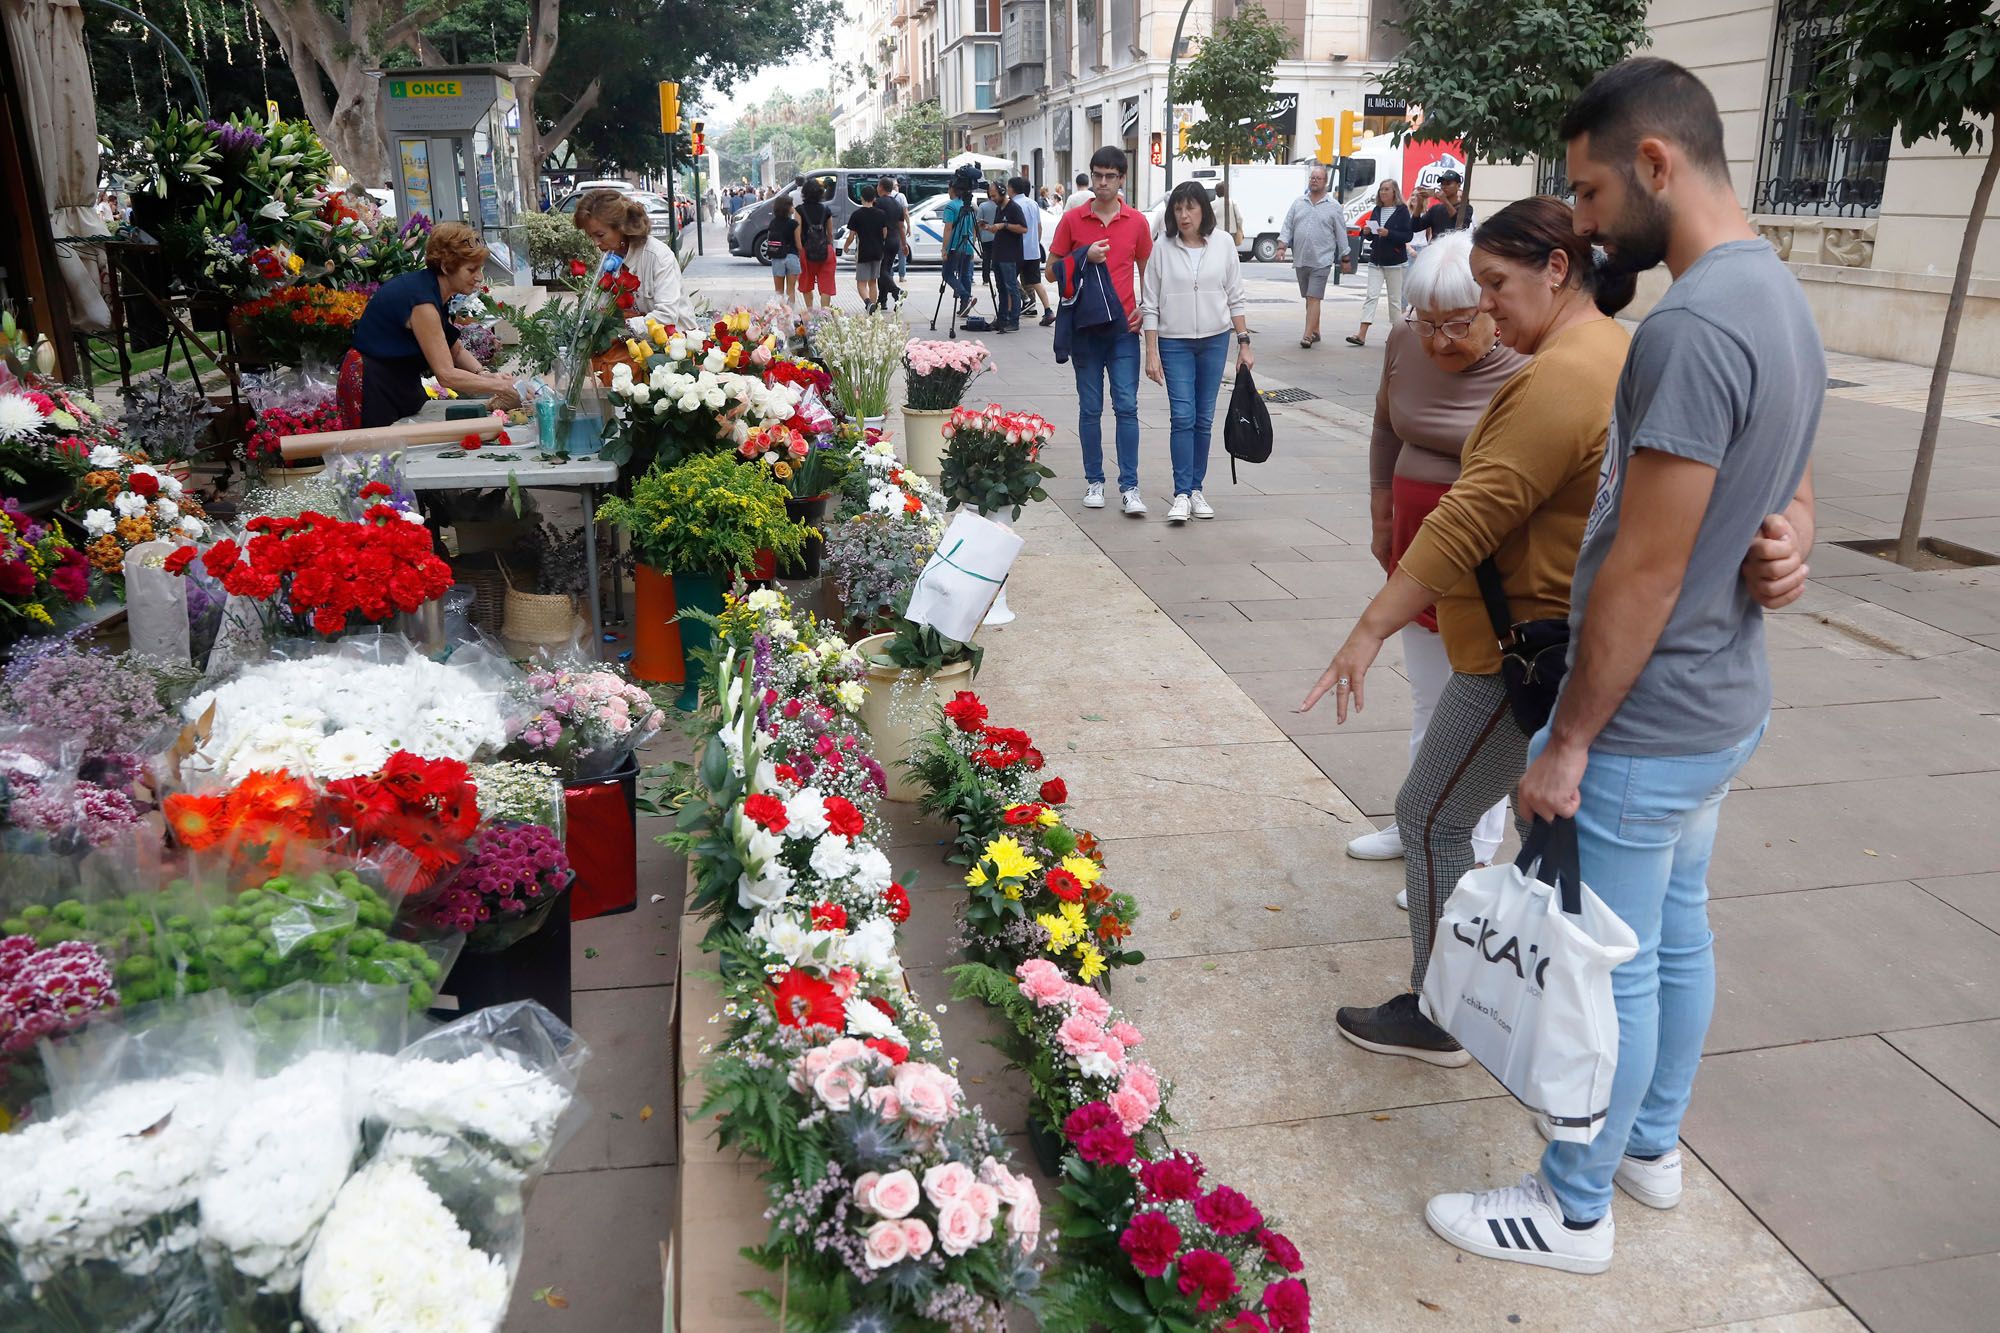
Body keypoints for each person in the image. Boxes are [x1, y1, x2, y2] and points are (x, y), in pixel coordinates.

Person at [1424, 56, 1824, 1277]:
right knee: (1673, 941)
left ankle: (1573, 1202)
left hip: (1650, 721)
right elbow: (1791, 469)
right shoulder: (1773, 293)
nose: (1585, 228)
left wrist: (1572, 744)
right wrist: (1792, 531)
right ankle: (1648, 1149)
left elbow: (1641, 570)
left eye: (1590, 195)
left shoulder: (1690, 326)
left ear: (1655, 165)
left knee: (1611, 973)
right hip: (1721, 705)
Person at [1299, 196, 1635, 1074]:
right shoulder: (1611, 352)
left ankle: (1442, 1011)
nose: (1487, 309)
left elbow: (1466, 519)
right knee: (1520, 833)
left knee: (1432, 813)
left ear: (1556, 270)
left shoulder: (1561, 375)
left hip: (1526, 647)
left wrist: (1366, 631)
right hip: (1559, 636)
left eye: (1494, 286)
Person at [1345, 231, 1525, 878]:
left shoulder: (1529, 361)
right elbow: (1385, 428)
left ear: (1492, 311)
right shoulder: (1403, 341)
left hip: (1486, 557)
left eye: (1458, 324)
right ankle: (1421, 820)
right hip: (1416, 541)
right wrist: (1381, 513)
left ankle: (1469, 851)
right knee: (1428, 695)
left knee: (1475, 702)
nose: (1439, 341)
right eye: (1428, 323)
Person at [1141, 181, 1252, 524]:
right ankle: (1181, 494)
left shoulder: (1222, 245)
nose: (1184, 215)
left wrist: (1244, 342)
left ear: (1204, 208)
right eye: (1177, 208)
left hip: (1215, 339)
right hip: (1175, 343)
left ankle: (1197, 488)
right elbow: (1149, 303)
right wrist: (1151, 351)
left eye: (1190, 207)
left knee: (1204, 418)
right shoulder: (1162, 246)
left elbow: (1235, 295)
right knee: (1183, 416)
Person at [1051, 146, 1153, 515]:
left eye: (1111, 176)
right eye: (1098, 175)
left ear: (1123, 178)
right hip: (1086, 328)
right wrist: (1082, 257)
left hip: (1124, 329)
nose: (1103, 183)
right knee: (1090, 409)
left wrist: (1145, 309)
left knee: (1127, 406)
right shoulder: (1073, 219)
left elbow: (1149, 271)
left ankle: (1130, 487)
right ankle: (1094, 481)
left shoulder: (1137, 222)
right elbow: (1051, 269)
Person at [341, 221, 519, 429]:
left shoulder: (434, 290)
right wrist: (501, 386)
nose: (479, 277)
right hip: (373, 387)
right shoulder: (422, 302)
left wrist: (485, 374)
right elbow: (446, 375)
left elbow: (455, 349)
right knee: (378, 458)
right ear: (446, 267)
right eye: (471, 270)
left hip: (397, 382)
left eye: (480, 269)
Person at [571, 189, 699, 332]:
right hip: (636, 345)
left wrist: (623, 326)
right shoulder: (610, 256)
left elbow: (666, 317)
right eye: (590, 236)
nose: (595, 243)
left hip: (675, 344)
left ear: (621, 227)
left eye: (600, 235)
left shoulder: (657, 256)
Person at [1276, 165, 1348, 349]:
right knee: (1309, 298)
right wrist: (1282, 246)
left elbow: (1341, 233)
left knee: (1314, 297)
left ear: (1325, 182)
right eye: (1312, 177)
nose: (1314, 180)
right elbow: (1287, 226)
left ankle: (1307, 335)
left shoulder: (1333, 207)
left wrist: (1345, 256)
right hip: (1301, 258)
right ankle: (1315, 330)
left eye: (1318, 178)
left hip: (1322, 260)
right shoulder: (1299, 202)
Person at [1348, 180, 1413, 347]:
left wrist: (1389, 233)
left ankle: (1395, 335)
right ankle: (1361, 334)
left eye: (1386, 189)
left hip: (1395, 261)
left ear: (1394, 192)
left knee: (1394, 300)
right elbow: (1372, 236)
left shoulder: (1402, 211)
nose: (1383, 192)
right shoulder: (1377, 209)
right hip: (1376, 260)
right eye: (1381, 190)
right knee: (1371, 296)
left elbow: (1407, 236)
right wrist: (1367, 232)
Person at [990, 177, 1030, 333]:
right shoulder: (998, 208)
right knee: (1001, 289)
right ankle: (1002, 319)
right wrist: (990, 227)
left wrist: (1004, 225)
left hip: (1010, 255)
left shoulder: (1014, 208)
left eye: (994, 196)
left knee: (1011, 287)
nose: (992, 199)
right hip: (998, 254)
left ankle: (1014, 320)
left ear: (1002, 192)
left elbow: (1023, 228)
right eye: (990, 196)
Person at [843, 183, 890, 311]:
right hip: (878, 252)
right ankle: (873, 309)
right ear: (874, 198)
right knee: (873, 282)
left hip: (863, 252)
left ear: (861, 197)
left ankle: (868, 303)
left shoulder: (856, 215)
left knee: (861, 283)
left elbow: (851, 236)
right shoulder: (881, 214)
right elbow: (885, 233)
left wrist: (846, 247)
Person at [939, 178, 980, 318]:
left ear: (952, 189)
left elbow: (948, 228)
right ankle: (964, 305)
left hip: (955, 246)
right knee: (965, 275)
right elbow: (975, 229)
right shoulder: (970, 206)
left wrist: (944, 248)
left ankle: (965, 296)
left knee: (947, 274)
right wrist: (972, 244)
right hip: (967, 246)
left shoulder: (951, 206)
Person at [1017, 178, 1056, 327]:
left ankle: (1018, 305)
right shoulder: (1033, 204)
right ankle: (1048, 310)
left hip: (1017, 250)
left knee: (1008, 279)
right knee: (1036, 282)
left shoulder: (1014, 204)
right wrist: (1035, 243)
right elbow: (1039, 227)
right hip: (1032, 250)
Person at [796, 177, 838, 309]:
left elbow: (797, 233)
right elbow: (830, 233)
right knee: (826, 284)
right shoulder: (826, 210)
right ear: (821, 193)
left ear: (804, 193)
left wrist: (800, 250)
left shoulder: (799, 210)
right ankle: (824, 314)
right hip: (825, 251)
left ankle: (810, 312)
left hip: (806, 252)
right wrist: (829, 245)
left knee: (807, 283)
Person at [874, 176, 908, 309]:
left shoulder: (878, 203)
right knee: (886, 270)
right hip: (895, 241)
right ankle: (882, 301)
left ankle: (896, 292)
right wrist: (904, 244)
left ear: (881, 187)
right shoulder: (897, 204)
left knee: (880, 271)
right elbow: (901, 226)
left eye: (877, 186)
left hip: (882, 240)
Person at [764, 195, 802, 302]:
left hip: (777, 258)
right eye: (792, 205)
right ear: (787, 208)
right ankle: (790, 315)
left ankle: (780, 315)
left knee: (778, 291)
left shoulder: (773, 223)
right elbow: (798, 245)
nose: (793, 207)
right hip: (792, 257)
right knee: (791, 291)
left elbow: (769, 240)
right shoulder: (794, 224)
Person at [1422, 170, 1474, 238]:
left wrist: (1445, 201)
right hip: (1436, 247)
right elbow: (1416, 227)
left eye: (1448, 183)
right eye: (1442, 184)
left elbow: (1460, 226)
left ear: (1458, 186)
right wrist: (1419, 204)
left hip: (1454, 246)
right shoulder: (1435, 209)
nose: (1444, 187)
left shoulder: (1466, 208)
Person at [977, 181, 1003, 296]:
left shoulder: (983, 206)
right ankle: (998, 276)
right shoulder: (1000, 206)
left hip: (986, 236)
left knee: (986, 258)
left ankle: (986, 278)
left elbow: (978, 221)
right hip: (998, 236)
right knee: (997, 259)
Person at [888, 176, 912, 283]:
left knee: (890, 252)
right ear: (895, 186)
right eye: (897, 185)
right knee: (902, 251)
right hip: (900, 226)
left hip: (889, 228)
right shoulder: (901, 196)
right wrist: (909, 226)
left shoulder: (886, 196)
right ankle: (902, 276)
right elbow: (906, 213)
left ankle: (890, 274)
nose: (898, 187)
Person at [1214, 183, 1245, 251]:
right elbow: (1240, 218)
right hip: (1231, 231)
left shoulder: (1212, 204)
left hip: (1217, 232)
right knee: (1230, 250)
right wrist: (1240, 228)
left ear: (1216, 192)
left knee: (1219, 250)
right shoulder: (1232, 202)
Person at [1407, 186, 1437, 255]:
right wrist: (1410, 249)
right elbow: (1402, 233)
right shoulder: (1405, 213)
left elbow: (1429, 233)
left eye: (1417, 196)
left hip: (1423, 247)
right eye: (1412, 195)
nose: (1414, 198)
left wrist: (1428, 246)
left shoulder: (1427, 213)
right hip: (1409, 248)